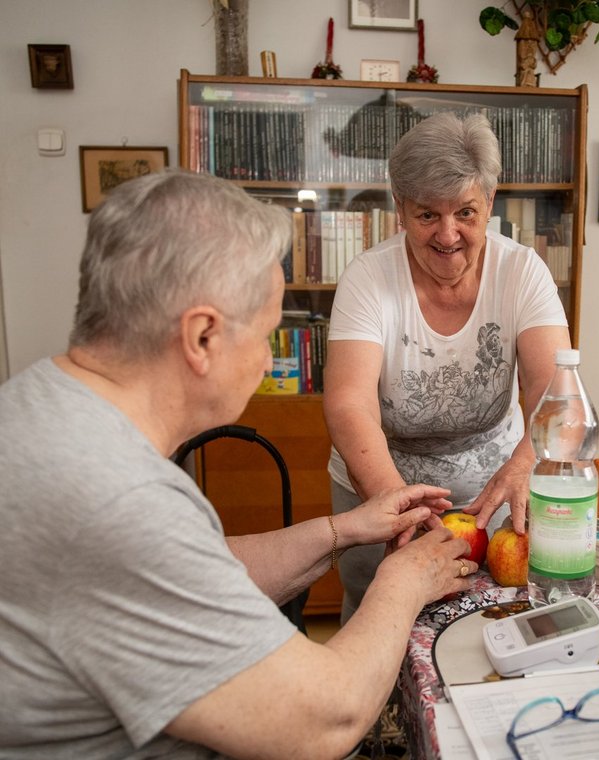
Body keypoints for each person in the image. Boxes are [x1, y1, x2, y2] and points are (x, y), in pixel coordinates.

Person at [0, 170, 478, 759]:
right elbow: (326, 720)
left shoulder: (42, 405)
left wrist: (340, 531)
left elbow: (193, 574)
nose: (264, 362)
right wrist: (404, 584)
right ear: (202, 337)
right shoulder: (115, 500)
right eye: (267, 335)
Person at [323, 112, 571, 622]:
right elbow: (349, 404)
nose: (448, 234)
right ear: (399, 208)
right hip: (382, 490)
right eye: (427, 215)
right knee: (379, 626)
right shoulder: (368, 279)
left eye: (465, 212)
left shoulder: (523, 271)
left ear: (490, 202)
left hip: (494, 493)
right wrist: (397, 506)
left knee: (498, 622)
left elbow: (554, 391)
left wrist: (523, 466)